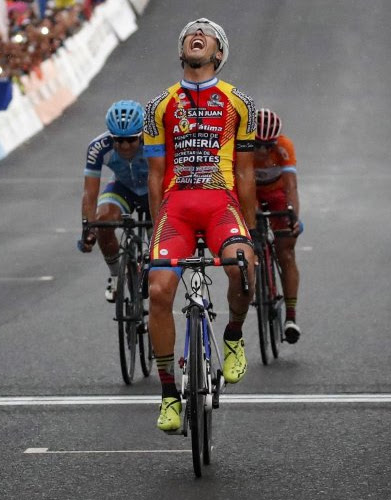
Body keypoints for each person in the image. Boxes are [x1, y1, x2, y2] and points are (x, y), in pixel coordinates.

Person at [143, 18, 257, 432]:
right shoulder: (159, 106)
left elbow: (244, 174)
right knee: (158, 289)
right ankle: (169, 393)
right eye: (191, 32)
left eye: (207, 33)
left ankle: (232, 335)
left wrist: (251, 226)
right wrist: (158, 229)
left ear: (218, 53)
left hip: (220, 204)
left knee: (243, 266)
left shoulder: (239, 103)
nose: (197, 32)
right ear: (182, 51)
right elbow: (155, 177)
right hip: (176, 209)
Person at [78, 100, 149, 302]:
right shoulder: (98, 147)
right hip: (123, 187)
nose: (124, 146)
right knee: (104, 222)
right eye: (118, 140)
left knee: (159, 235)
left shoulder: (156, 143)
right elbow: (90, 193)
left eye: (131, 140)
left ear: (142, 134)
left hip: (153, 189)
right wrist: (88, 227)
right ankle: (116, 274)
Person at [253, 108, 303, 343]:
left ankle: (291, 316)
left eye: (267, 145)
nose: (262, 151)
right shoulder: (238, 145)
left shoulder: (284, 146)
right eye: (257, 145)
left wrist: (293, 216)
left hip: (277, 193)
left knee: (287, 251)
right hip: (250, 191)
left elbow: (291, 186)